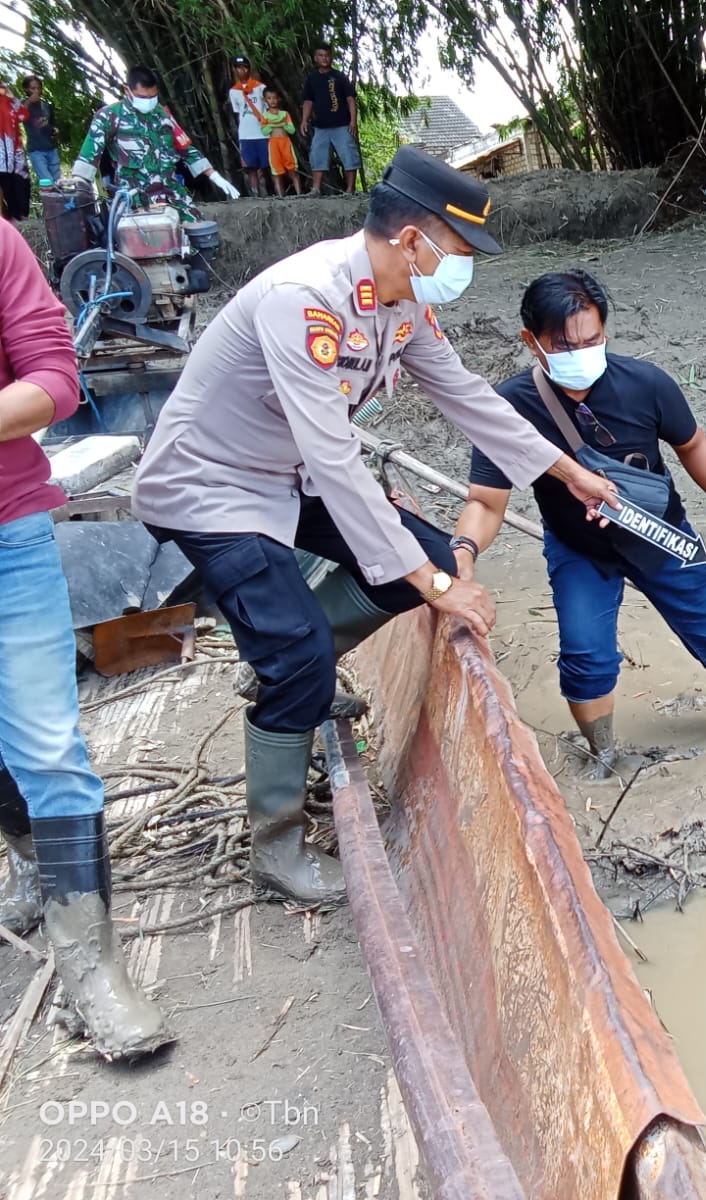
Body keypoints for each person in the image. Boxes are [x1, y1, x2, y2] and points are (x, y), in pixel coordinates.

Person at [132, 147, 618, 907]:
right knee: (325, 634)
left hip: (286, 475)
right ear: (412, 239)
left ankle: (286, 668)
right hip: (212, 486)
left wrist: (567, 471)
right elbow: (334, 458)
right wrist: (437, 588)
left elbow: (468, 396)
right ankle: (277, 847)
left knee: (424, 559)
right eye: (458, 250)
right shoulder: (306, 300)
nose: (462, 268)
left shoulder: (401, 303)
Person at [453, 270, 706, 778]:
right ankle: (602, 754)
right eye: (565, 345)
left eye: (592, 340)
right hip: (579, 549)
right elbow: (486, 503)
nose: (581, 354)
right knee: (586, 655)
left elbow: (693, 444)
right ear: (532, 342)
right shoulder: (509, 408)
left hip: (662, 537)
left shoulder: (646, 384)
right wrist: (463, 554)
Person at [0, 218, 174, 1059]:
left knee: (46, 740)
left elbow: (55, 382)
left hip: (6, 535)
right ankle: (34, 863)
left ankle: (92, 969)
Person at [72, 65, 240, 216]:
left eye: (153, 97)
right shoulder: (110, 116)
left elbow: (185, 148)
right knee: (155, 237)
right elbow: (88, 156)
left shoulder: (161, 114)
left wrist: (213, 175)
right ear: (127, 90)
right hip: (136, 200)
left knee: (201, 232)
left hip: (173, 194)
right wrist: (79, 185)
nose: (148, 102)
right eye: (142, 97)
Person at [300, 45, 359, 195]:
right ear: (315, 58)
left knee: (349, 155)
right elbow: (308, 101)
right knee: (317, 155)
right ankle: (316, 189)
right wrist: (304, 120)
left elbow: (350, 99)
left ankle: (350, 189)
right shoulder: (312, 78)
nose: (324, 58)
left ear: (331, 57)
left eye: (326, 55)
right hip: (321, 126)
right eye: (320, 55)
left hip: (342, 124)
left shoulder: (339, 76)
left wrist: (353, 121)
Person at [228, 55, 269, 198]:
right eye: (238, 68)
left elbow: (268, 109)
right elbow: (238, 114)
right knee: (251, 167)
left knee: (267, 166)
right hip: (246, 134)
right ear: (234, 70)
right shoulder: (234, 91)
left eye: (244, 67)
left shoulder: (260, 88)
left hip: (262, 132)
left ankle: (271, 194)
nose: (242, 70)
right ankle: (256, 195)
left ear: (249, 69)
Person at [258, 88, 302, 196]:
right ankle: (280, 196)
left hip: (285, 143)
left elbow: (292, 130)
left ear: (278, 99)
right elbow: (264, 131)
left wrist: (278, 124)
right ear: (265, 100)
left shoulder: (285, 114)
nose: (272, 100)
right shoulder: (265, 116)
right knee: (276, 171)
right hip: (273, 144)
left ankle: (299, 194)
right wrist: (278, 124)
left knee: (292, 168)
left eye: (274, 98)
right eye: (269, 98)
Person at [21, 76, 59, 188]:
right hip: (36, 150)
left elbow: (52, 124)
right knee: (48, 182)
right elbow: (18, 115)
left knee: (58, 182)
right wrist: (29, 101)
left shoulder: (46, 106)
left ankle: (59, 199)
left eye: (38, 88)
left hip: (51, 148)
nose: (36, 91)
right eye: (33, 88)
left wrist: (55, 130)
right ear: (26, 89)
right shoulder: (23, 104)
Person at [0, 81, 27, 221]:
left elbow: (24, 115)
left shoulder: (8, 100)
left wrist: (13, 98)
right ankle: (9, 216)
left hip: (15, 150)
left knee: (19, 182)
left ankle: (20, 214)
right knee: (5, 183)